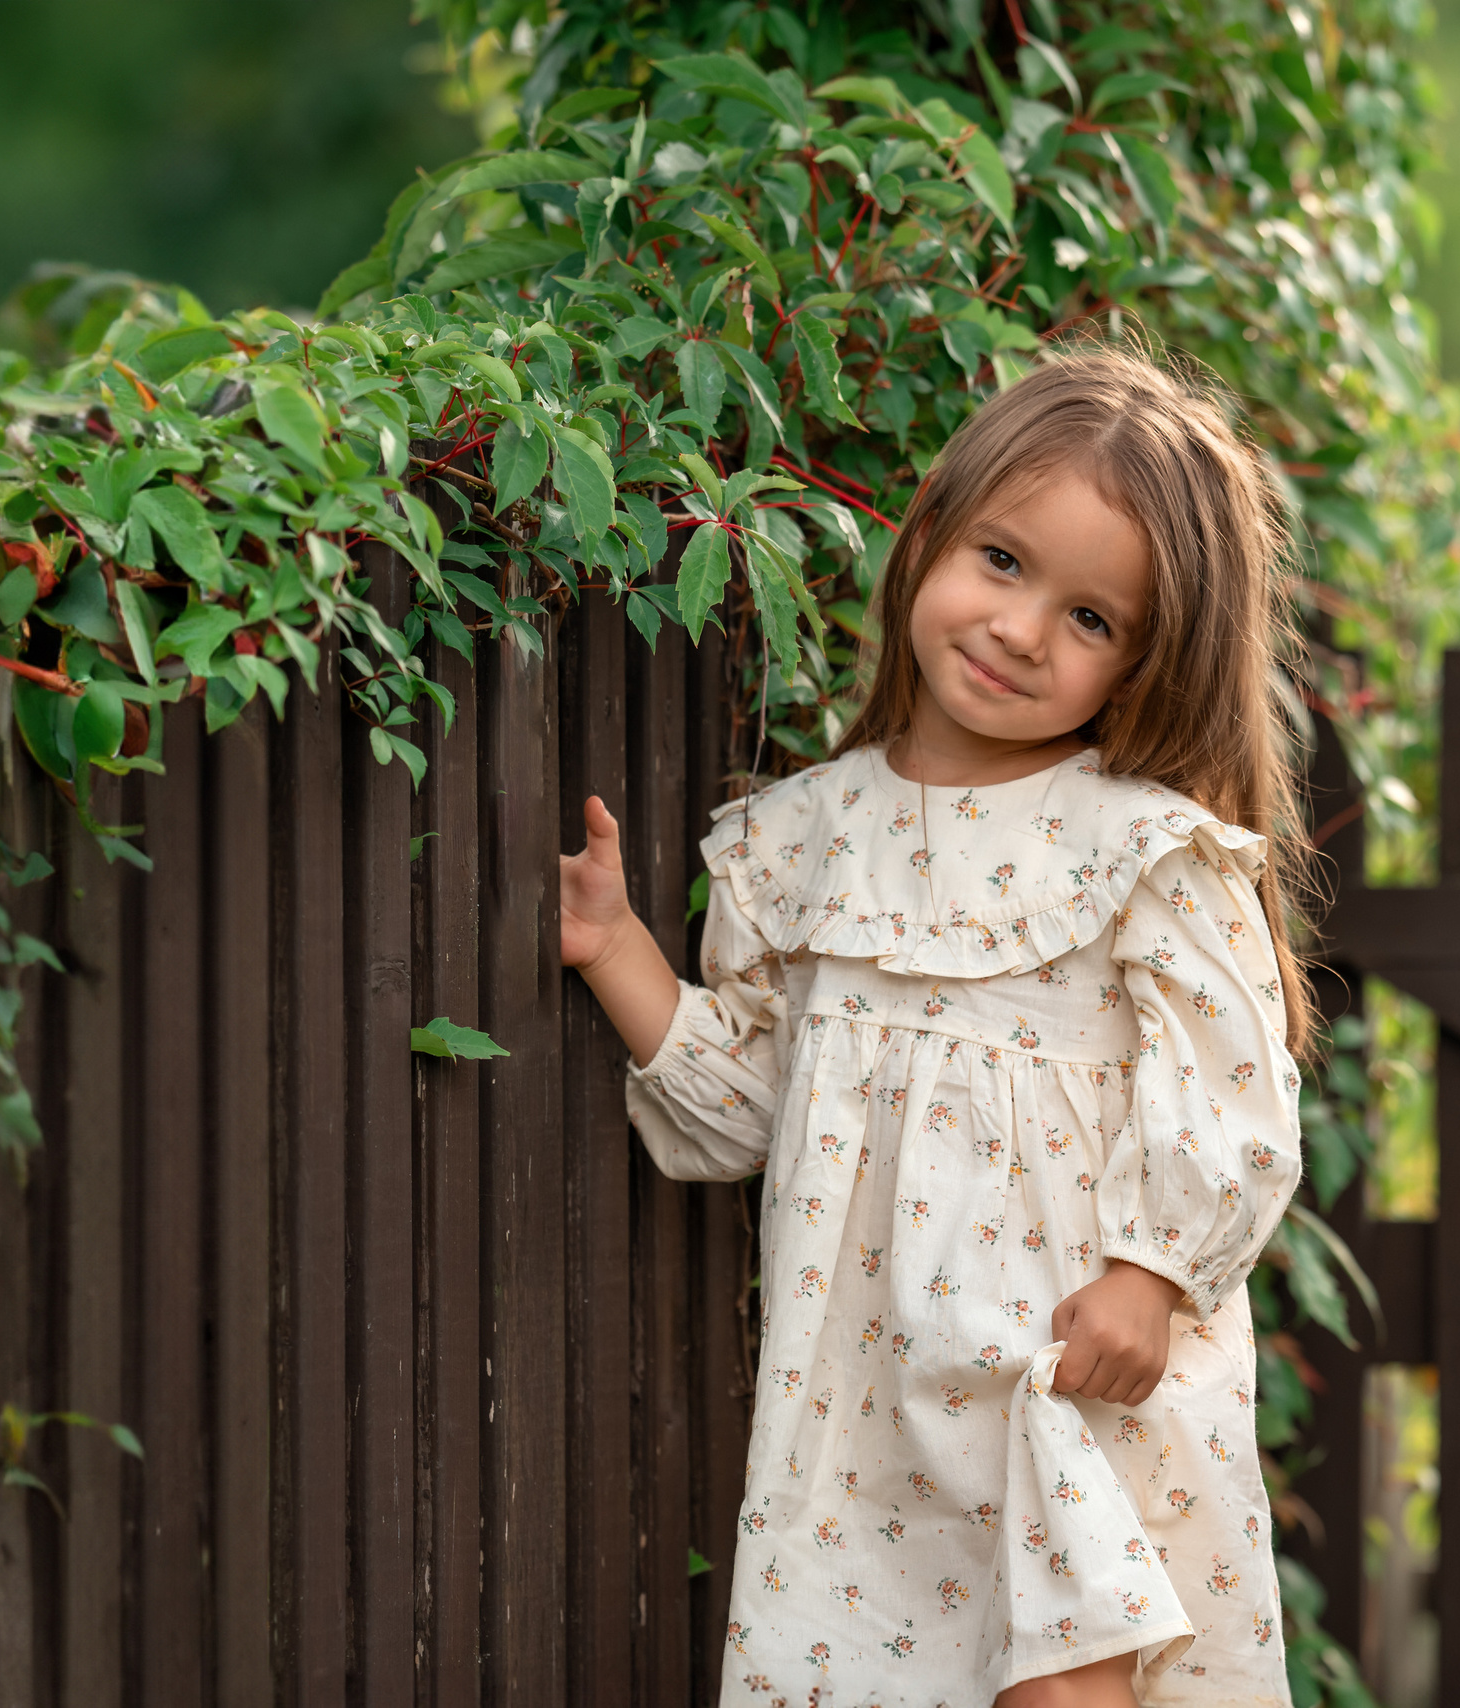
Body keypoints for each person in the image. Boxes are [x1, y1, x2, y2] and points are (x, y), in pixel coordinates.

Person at [560, 343, 1312, 1707]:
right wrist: (617, 954)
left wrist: (1150, 1276)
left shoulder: (1144, 854)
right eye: (1004, 563)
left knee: (1075, 1671)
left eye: (1094, 620)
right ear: (927, 544)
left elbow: (1232, 1100)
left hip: (1072, 1370)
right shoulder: (804, 842)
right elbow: (749, 1106)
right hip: (866, 1411)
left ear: (1144, 669)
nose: (1024, 629)